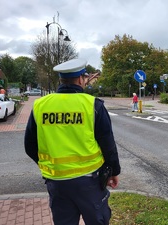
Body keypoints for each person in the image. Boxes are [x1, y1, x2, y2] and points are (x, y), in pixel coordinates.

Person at [24, 58, 121, 225]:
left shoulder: (40, 106)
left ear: (61, 80)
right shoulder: (93, 105)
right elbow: (108, 145)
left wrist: (50, 166)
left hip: (57, 183)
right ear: (80, 80)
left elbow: (30, 145)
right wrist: (114, 171)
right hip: (89, 182)